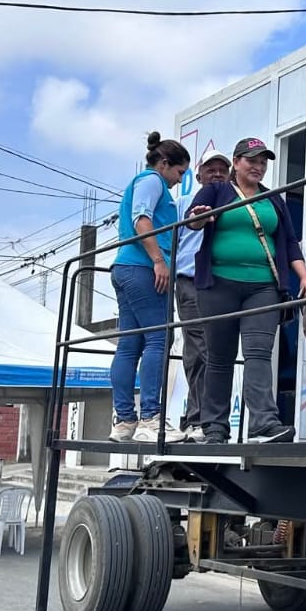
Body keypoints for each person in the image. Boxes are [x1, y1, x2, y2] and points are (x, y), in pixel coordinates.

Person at [185, 137, 306, 444]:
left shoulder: (273, 199)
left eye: (263, 162)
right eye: (251, 160)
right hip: (218, 285)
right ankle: (215, 427)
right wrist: (198, 217)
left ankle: (263, 423)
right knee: (220, 357)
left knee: (259, 353)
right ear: (236, 162)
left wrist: (305, 277)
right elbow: (192, 220)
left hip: (263, 286)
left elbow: (289, 241)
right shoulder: (216, 191)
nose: (258, 166)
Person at [111, 132, 191, 444]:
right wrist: (159, 259)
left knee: (129, 345)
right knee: (158, 339)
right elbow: (141, 219)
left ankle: (124, 421)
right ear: (164, 164)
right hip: (143, 267)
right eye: (179, 172)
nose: (179, 180)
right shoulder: (152, 181)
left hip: (125, 267)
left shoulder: (143, 181)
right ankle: (150, 417)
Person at [173, 149, 232, 442]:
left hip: (224, 283)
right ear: (198, 176)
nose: (217, 174)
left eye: (223, 169)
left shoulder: (234, 201)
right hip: (191, 281)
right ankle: (199, 420)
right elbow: (169, 242)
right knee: (199, 350)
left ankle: (208, 419)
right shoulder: (183, 203)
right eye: (211, 169)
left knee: (218, 351)